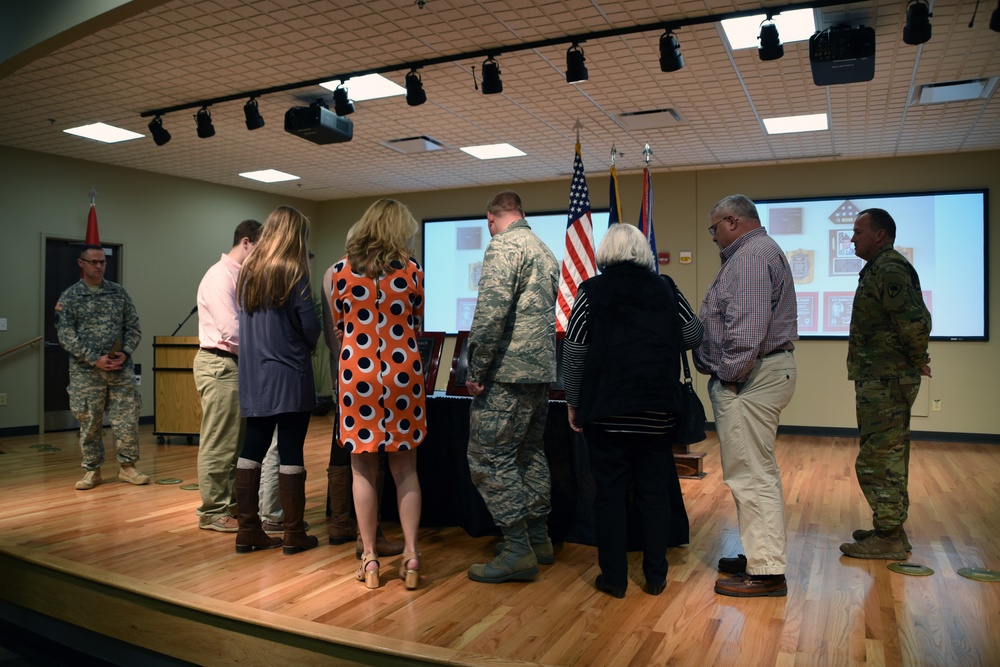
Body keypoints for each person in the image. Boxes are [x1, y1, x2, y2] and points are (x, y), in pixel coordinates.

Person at [562, 223, 702, 598]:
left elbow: (574, 352)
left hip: (606, 410)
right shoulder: (666, 288)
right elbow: (693, 335)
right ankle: (655, 577)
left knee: (609, 494)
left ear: (605, 252)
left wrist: (573, 403)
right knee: (654, 493)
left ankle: (615, 579)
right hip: (657, 408)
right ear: (643, 251)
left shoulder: (591, 292)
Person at [693, 194, 798, 598]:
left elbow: (747, 330)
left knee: (751, 477)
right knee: (756, 472)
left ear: (732, 221)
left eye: (714, 227)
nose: (714, 235)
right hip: (759, 374)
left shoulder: (751, 257)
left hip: (749, 379)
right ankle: (760, 554)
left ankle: (767, 571)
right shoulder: (756, 252)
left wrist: (729, 377)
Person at [330, 198, 426, 589]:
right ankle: (412, 555)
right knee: (406, 471)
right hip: (403, 373)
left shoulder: (341, 271)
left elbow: (340, 323)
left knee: (362, 469)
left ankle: (369, 558)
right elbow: (416, 321)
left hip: (359, 376)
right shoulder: (413, 271)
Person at [465, 190, 559, 584]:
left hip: (505, 375)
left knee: (490, 459)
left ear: (491, 219)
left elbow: (490, 315)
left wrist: (476, 369)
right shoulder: (544, 248)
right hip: (539, 374)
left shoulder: (504, 247)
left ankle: (518, 549)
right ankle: (539, 540)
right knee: (528, 454)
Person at [840, 208, 931, 560]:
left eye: (858, 232)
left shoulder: (889, 268)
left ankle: (889, 536)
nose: (852, 238)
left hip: (886, 378)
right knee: (891, 453)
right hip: (883, 375)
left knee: (878, 458)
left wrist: (917, 356)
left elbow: (913, 320)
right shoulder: (880, 267)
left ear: (880, 235)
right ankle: (891, 529)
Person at [233, 205, 321, 555]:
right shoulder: (293, 270)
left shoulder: (248, 271)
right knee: (290, 449)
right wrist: (309, 342)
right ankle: (293, 533)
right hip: (288, 372)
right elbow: (310, 325)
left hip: (254, 374)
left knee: (252, 446)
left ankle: (247, 530)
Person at [321, 257, 403, 557]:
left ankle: (342, 526)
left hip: (346, 373)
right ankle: (365, 534)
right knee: (373, 461)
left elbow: (336, 331)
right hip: (372, 374)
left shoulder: (334, 272)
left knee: (345, 452)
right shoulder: (390, 271)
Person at [56, 244, 149, 490]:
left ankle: (128, 468)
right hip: (86, 373)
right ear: (81, 263)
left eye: (102, 262)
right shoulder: (70, 297)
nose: (98, 266)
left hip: (120, 371)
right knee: (90, 423)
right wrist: (93, 358)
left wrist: (125, 352)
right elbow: (65, 336)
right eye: (93, 262)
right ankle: (92, 470)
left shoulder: (119, 293)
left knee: (127, 420)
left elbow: (133, 327)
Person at [193, 219, 261, 532]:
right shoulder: (219, 276)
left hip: (237, 365)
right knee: (219, 442)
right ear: (246, 242)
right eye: (261, 248)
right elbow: (232, 331)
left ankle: (230, 506)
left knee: (236, 443)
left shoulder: (241, 275)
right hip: (221, 364)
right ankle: (212, 511)